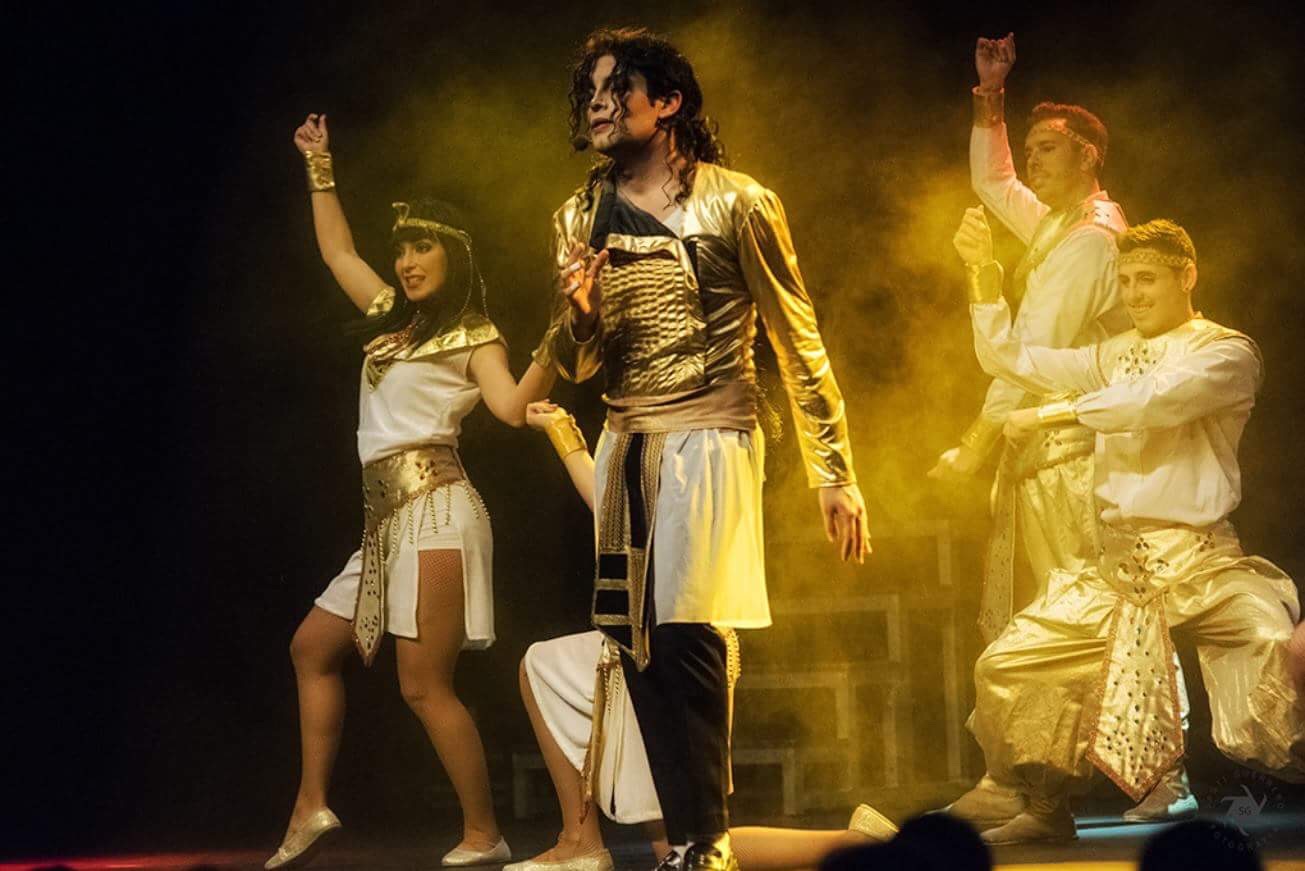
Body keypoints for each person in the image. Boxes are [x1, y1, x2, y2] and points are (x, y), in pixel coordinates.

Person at [533, 26, 871, 871]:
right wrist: (580, 313)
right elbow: (579, 363)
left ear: (668, 101)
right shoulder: (578, 215)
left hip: (710, 433)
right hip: (624, 441)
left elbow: (796, 338)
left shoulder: (736, 202)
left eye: (616, 89)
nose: (599, 106)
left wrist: (833, 470)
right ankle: (686, 839)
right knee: (634, 639)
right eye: (590, 93)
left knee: (688, 631)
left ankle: (708, 834)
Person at [265, 114, 556, 869]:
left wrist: (562, 337)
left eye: (421, 246)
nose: (405, 261)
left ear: (453, 254)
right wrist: (319, 165)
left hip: (439, 512)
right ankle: (310, 804)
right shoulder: (387, 322)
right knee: (311, 647)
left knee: (424, 685)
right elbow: (337, 250)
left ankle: (484, 833)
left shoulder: (474, 335)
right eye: (400, 249)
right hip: (384, 521)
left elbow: (510, 408)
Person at [959, 217, 1305, 844]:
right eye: (1123, 282)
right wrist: (983, 278)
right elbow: (1014, 359)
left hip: (1204, 564)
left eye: (1146, 279)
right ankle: (1046, 808)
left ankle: (1273, 779)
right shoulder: (1112, 354)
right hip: (1121, 574)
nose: (1133, 294)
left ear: (1187, 276)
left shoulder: (1227, 353)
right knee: (1011, 663)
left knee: (1279, 653)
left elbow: (1155, 399)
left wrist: (1053, 414)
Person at [930, 32, 1195, 827]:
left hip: (1077, 454)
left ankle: (1155, 773)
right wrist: (991, 99)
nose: (1031, 161)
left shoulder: (1088, 241)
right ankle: (1031, 782)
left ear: (1087, 156)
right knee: (1060, 619)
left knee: (1100, 615)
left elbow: (1024, 356)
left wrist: (972, 444)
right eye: (1030, 148)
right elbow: (993, 180)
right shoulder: (1058, 224)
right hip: (1049, 452)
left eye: (1046, 148)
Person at [503, 401, 895, 871]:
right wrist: (563, 431)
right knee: (542, 666)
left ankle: (858, 844)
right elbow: (614, 506)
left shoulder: (702, 447)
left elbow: (614, 509)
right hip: (654, 640)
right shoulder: (686, 442)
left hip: (671, 646)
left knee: (687, 846)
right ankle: (579, 841)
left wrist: (565, 435)